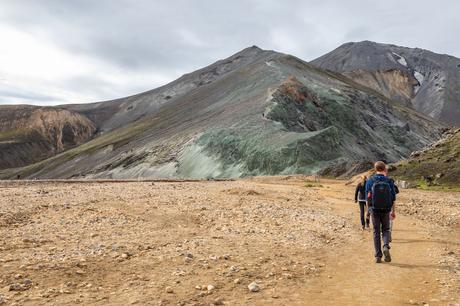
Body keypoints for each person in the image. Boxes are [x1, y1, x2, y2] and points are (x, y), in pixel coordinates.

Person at [366, 161, 396, 263]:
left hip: (374, 209)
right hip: (386, 209)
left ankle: (378, 256)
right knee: (386, 229)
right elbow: (393, 198)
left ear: (375, 169)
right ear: (384, 169)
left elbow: (367, 197)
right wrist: (393, 211)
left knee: (376, 232)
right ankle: (386, 246)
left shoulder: (370, 180)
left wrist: (368, 211)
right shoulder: (389, 181)